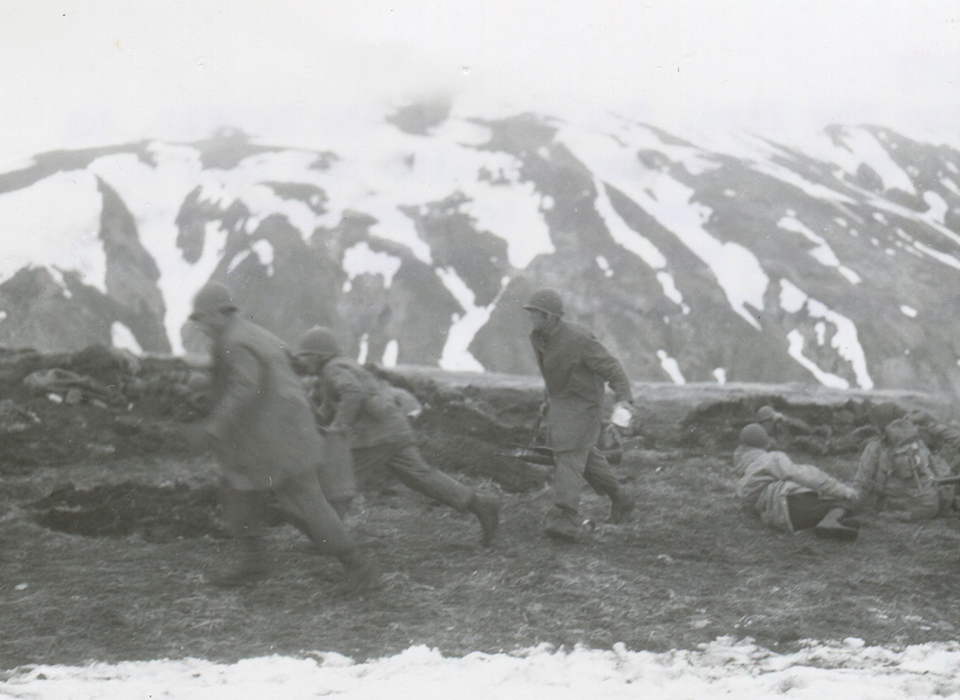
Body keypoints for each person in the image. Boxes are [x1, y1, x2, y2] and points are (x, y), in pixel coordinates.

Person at [187, 282, 376, 589]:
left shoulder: (232, 342)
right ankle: (256, 562)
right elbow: (290, 359)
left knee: (304, 501)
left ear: (220, 314)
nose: (201, 326)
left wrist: (213, 428)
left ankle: (359, 567)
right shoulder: (254, 332)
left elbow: (245, 387)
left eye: (203, 319)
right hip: (284, 433)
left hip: (273, 441)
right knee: (243, 489)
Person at [294, 326, 501, 547]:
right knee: (421, 476)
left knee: (337, 478)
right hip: (394, 429)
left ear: (318, 356)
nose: (303, 364)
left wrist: (338, 427)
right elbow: (333, 403)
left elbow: (352, 393)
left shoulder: (333, 370)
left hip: (376, 436)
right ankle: (480, 504)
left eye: (305, 357)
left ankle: (329, 539)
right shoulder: (341, 367)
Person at [522, 288, 635, 542]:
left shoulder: (579, 339)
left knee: (568, 453)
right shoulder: (538, 337)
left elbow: (612, 368)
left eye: (534, 313)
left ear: (550, 316)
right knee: (584, 455)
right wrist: (547, 399)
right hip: (561, 402)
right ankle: (621, 497)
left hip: (584, 404)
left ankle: (567, 518)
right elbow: (551, 371)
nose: (530, 318)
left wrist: (624, 400)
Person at [734, 423, 861, 540]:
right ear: (765, 443)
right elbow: (803, 475)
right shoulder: (771, 458)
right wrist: (844, 490)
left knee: (821, 500)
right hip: (790, 504)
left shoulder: (744, 476)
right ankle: (830, 520)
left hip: (776, 518)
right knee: (845, 499)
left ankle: (832, 522)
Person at [853, 415, 954, 522]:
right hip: (929, 506)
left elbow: (863, 482)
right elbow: (936, 471)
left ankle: (896, 515)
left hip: (894, 503)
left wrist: (851, 502)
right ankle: (908, 515)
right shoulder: (919, 444)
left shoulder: (875, 447)